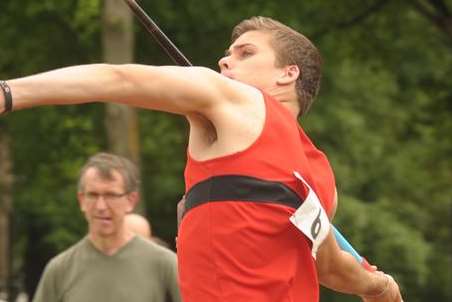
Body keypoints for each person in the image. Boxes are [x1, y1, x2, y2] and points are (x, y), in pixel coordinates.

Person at [1, 16, 402, 302]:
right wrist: (9, 93)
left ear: (288, 73)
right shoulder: (235, 103)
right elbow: (119, 80)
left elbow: (329, 264)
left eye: (244, 53)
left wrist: (378, 286)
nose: (225, 61)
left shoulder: (316, 170)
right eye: (227, 54)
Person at [31, 153, 181, 302]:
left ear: (131, 200)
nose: (101, 206)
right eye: (93, 195)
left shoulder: (164, 264)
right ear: (81, 200)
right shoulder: (59, 270)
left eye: (111, 195)